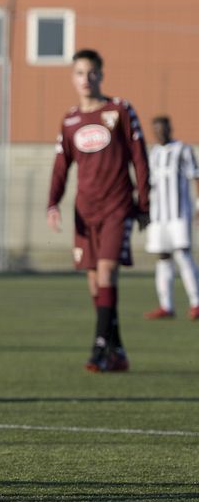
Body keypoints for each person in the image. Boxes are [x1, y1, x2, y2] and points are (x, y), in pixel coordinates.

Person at [47, 48, 150, 372]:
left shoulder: (120, 110)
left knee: (106, 273)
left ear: (101, 75)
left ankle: (100, 347)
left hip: (117, 205)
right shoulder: (70, 119)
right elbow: (61, 166)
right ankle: (117, 351)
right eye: (80, 73)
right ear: (73, 78)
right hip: (85, 210)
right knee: (94, 282)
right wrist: (52, 202)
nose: (86, 79)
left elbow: (139, 156)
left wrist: (144, 202)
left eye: (91, 72)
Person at [142, 115, 199, 320]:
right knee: (163, 257)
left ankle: (196, 303)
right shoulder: (153, 154)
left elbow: (196, 177)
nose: (160, 133)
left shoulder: (183, 150)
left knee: (183, 254)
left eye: (163, 128)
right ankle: (166, 305)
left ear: (170, 128)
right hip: (158, 216)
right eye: (156, 129)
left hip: (179, 213)